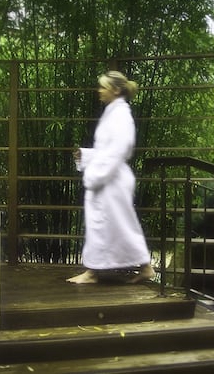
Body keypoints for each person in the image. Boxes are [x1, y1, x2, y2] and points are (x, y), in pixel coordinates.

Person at [66, 70, 155, 284]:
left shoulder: (120, 114)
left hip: (110, 178)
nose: (99, 90)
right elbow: (108, 150)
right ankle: (144, 267)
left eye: (103, 87)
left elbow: (119, 149)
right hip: (110, 176)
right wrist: (86, 156)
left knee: (107, 224)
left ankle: (92, 273)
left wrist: (95, 175)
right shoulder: (114, 112)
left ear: (115, 90)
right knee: (118, 224)